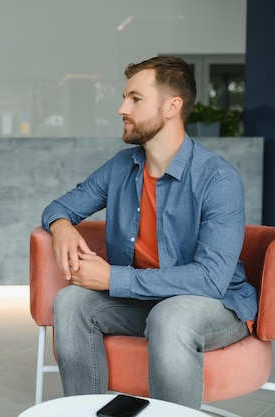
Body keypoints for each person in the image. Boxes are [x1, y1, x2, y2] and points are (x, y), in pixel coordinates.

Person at [41, 56, 257, 409]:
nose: (121, 108)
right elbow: (60, 206)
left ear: (173, 106)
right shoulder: (121, 167)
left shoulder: (218, 179)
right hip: (146, 301)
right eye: (125, 97)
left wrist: (112, 277)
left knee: (169, 317)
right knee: (70, 302)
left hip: (216, 306)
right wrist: (61, 225)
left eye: (135, 99)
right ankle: (83, 412)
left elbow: (211, 280)